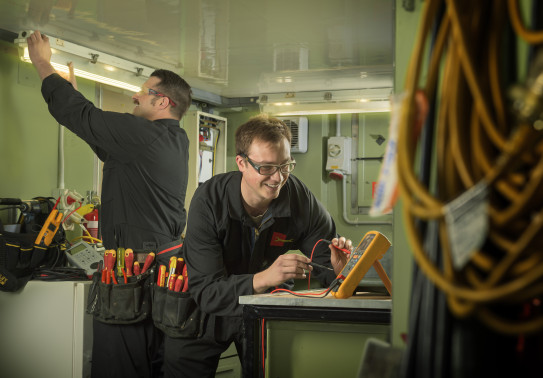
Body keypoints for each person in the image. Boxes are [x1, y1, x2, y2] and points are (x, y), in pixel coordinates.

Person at [26, 30, 192, 377]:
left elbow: (82, 117)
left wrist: (43, 63)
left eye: (144, 92)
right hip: (159, 278)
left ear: (163, 102)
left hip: (135, 278)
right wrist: (68, 90)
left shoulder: (145, 136)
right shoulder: (170, 141)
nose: (136, 96)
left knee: (120, 368)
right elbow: (97, 133)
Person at [164, 114, 352, 377]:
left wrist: (341, 270)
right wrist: (265, 277)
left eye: (286, 165)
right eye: (266, 167)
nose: (277, 178)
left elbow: (327, 263)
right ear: (241, 163)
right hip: (201, 314)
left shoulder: (298, 199)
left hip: (266, 306)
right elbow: (207, 291)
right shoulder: (209, 201)